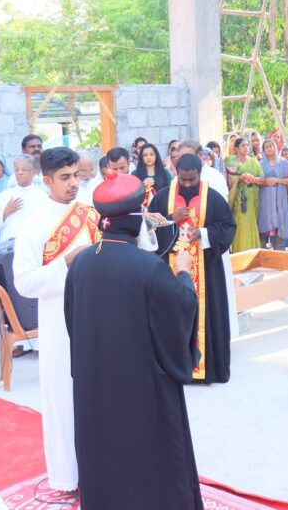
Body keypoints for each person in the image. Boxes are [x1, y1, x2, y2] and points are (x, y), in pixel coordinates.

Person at [65, 171, 203, 509]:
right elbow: (179, 312)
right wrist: (183, 271)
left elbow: (74, 323)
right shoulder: (148, 266)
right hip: (141, 389)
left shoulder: (81, 262)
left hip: (95, 384)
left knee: (104, 458)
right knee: (147, 461)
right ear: (136, 219)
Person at [14, 147, 99, 495]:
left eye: (76, 175)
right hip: (60, 324)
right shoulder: (33, 225)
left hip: (99, 316)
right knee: (64, 398)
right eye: (64, 178)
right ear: (46, 180)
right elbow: (25, 282)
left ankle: (103, 468)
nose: (72, 184)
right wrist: (67, 263)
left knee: (101, 395)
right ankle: (68, 477)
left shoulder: (92, 214)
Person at [150, 153, 236, 385]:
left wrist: (205, 234)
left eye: (192, 179)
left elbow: (228, 227)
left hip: (206, 272)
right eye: (183, 179)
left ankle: (207, 370)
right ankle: (173, 369)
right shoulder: (162, 197)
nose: (187, 184)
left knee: (204, 317)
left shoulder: (214, 198)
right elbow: (147, 230)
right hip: (169, 271)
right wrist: (170, 219)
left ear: (200, 174)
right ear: (176, 173)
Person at [0, 155, 47, 246]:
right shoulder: (5, 196)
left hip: (34, 247)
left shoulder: (42, 197)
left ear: (33, 172)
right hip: (8, 249)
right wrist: (6, 211)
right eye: (17, 170)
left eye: (24, 170)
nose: (20, 173)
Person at [225, 137, 263, 252]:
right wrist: (239, 179)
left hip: (250, 197)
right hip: (236, 197)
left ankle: (252, 253)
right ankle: (239, 252)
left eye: (247, 145)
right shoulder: (229, 161)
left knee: (250, 224)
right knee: (238, 225)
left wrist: (253, 179)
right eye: (243, 145)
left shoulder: (253, 161)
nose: (246, 147)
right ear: (236, 148)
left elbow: (262, 178)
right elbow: (226, 180)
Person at [258, 139, 288, 250]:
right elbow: (257, 181)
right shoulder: (260, 164)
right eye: (266, 147)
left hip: (280, 197)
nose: (269, 148)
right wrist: (265, 182)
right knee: (264, 225)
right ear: (263, 150)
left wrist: (277, 180)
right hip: (265, 198)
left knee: (280, 223)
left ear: (275, 147)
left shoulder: (283, 162)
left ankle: (279, 252)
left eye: (270, 146)